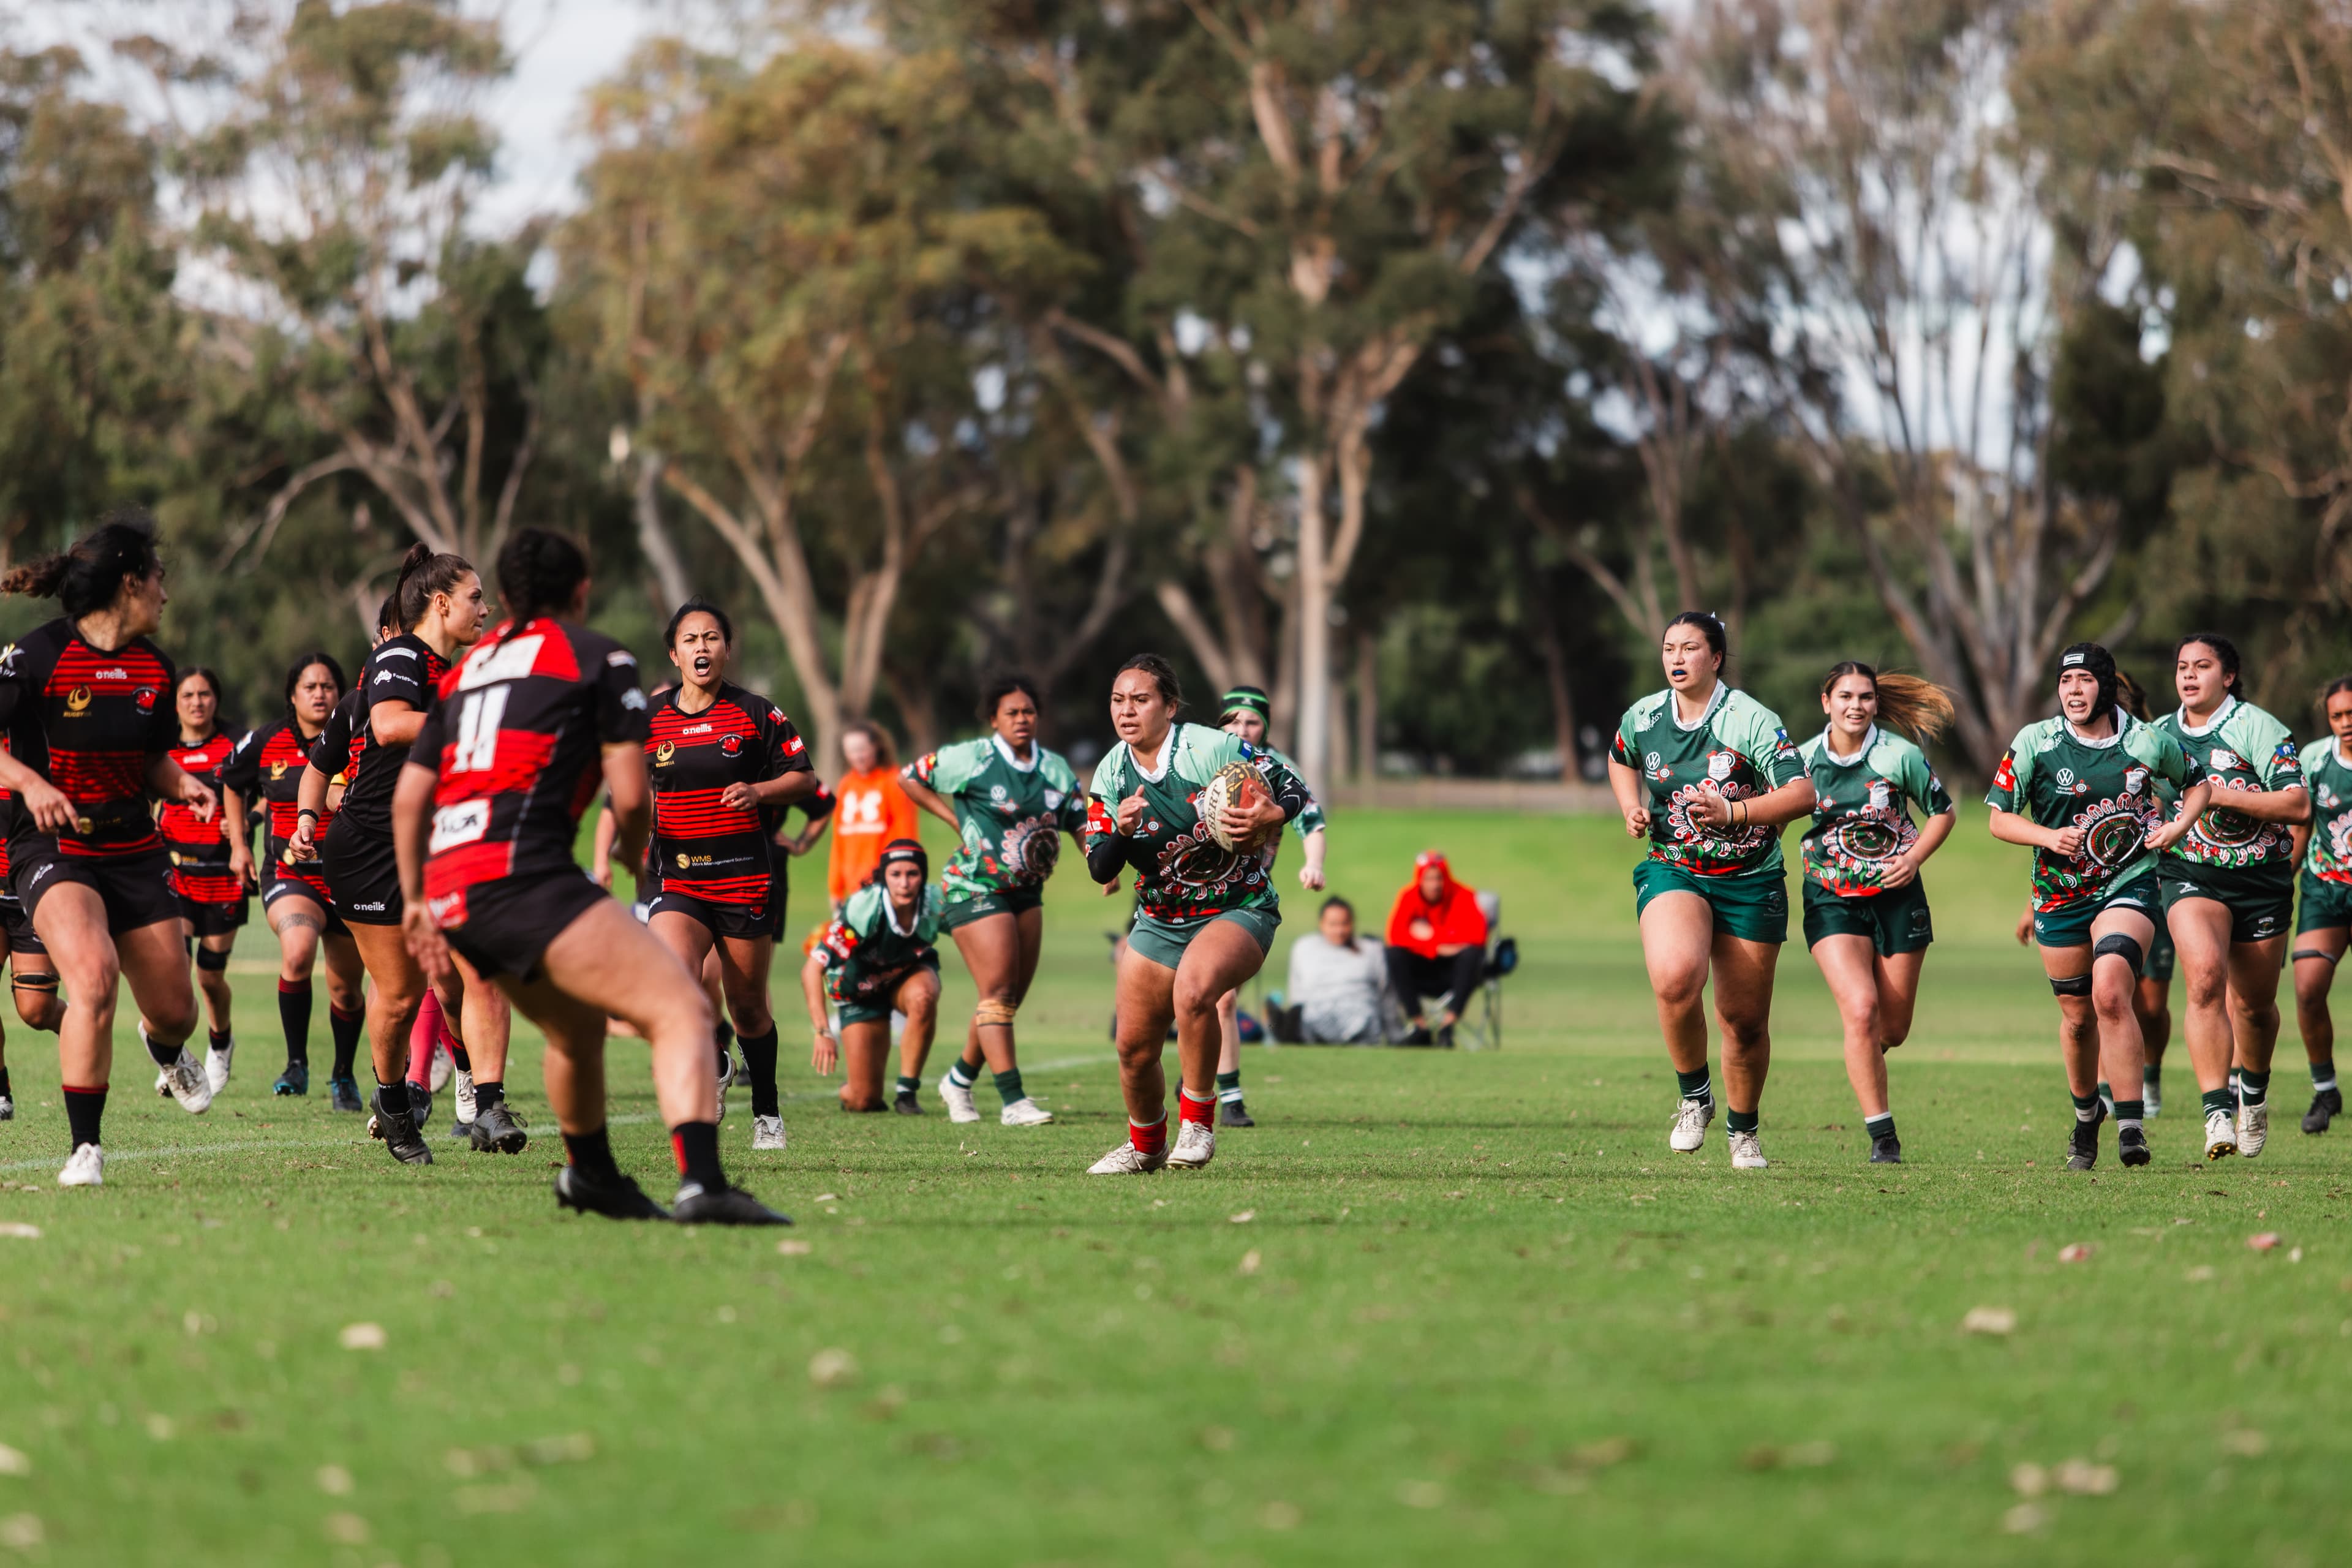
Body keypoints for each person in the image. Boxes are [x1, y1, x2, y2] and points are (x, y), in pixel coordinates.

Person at [393, 526, 786, 1224]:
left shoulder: (467, 668)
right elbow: (632, 796)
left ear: (507, 597)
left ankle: (593, 1177)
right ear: (583, 591)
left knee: (575, 1029)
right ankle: (702, 1183)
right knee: (685, 1008)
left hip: (453, 883)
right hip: (523, 875)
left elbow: (411, 795)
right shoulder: (598, 656)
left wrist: (419, 899)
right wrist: (639, 858)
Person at [0, 511, 221, 1187]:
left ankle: (163, 1049)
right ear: (130, 582)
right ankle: (85, 1150)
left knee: (178, 1012)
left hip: (136, 849)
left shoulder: (156, 668)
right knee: (92, 977)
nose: (166, 592)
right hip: (54, 847)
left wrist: (183, 783)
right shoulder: (35, 656)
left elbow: (150, 760)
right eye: (159, 579)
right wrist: (30, 782)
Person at [289, 543, 523, 1164]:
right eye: (476, 596)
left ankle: (488, 1100)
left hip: (442, 845)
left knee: (471, 972)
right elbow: (391, 725)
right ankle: (393, 1104)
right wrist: (307, 818)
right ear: (440, 602)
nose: (486, 607)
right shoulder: (398, 655)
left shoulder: (467, 672)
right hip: (369, 849)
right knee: (397, 995)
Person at [1083, 654, 1306, 1174]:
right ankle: (1145, 1147)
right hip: (1160, 919)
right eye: (1118, 700)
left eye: (1141, 700)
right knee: (1134, 1049)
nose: (1127, 711)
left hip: (1238, 907)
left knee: (1195, 991)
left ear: (1170, 706)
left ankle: (1199, 1124)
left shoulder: (1214, 746)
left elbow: (1291, 784)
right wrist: (1121, 828)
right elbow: (1100, 868)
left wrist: (1275, 811)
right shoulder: (1110, 772)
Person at [1606, 612, 1814, 1170]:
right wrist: (1631, 806)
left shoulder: (1749, 719)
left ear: (1716, 658)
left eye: (1691, 648)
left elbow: (1802, 793)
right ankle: (1694, 1095)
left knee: (1743, 1021)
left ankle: (1743, 1131)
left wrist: (1735, 810)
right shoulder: (1645, 715)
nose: (1677, 657)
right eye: (1670, 647)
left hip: (1750, 880)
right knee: (1675, 976)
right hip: (1674, 866)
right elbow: (1620, 755)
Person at [1988, 642, 2205, 1170]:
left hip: (2128, 884)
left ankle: (2131, 1127)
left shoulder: (2148, 742)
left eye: (2084, 681)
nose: (2074, 691)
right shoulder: (2034, 741)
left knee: (2111, 991)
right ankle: (2088, 1118)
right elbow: (1998, 817)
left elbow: (2197, 784)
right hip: (2059, 894)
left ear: (2104, 686)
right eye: (2066, 682)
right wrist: (2047, 835)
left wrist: (2177, 826)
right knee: (2078, 1018)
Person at [639, 598, 820, 1152]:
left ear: (726, 649)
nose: (702, 648)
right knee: (672, 982)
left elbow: (806, 779)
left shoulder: (756, 712)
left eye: (712, 638)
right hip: (678, 879)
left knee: (748, 1006)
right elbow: (629, 783)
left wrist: (759, 791)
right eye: (691, 640)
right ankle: (713, 1062)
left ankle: (766, 1110)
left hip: (743, 878)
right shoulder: (651, 719)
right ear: (674, 654)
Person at [900, 674, 1086, 1126]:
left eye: (1028, 712)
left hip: (1029, 892)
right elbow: (910, 777)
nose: (1022, 720)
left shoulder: (1056, 767)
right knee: (999, 993)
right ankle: (1013, 1100)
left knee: (1003, 998)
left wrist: (1101, 866)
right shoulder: (974, 758)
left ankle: (959, 1081)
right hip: (975, 887)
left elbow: (1079, 819)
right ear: (993, 720)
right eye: (1012, 713)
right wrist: (951, 818)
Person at [1796, 663, 1958, 1165]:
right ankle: (1882, 1137)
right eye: (1845, 696)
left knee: (1892, 1029)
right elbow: (1771, 811)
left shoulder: (1900, 755)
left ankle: (1867, 1053)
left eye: (1865, 697)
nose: (1856, 706)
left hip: (1897, 899)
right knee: (1861, 1010)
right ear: (1826, 701)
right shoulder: (1799, 761)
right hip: (1830, 897)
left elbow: (1944, 812)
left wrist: (1912, 860)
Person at [2158, 632, 2310, 1160]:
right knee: (2203, 977)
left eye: (2202, 666)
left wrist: (2216, 794)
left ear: (2228, 676)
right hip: (2191, 874)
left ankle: (2255, 1094)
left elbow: (2298, 806)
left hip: (2261, 882)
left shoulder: (2258, 727)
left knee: (2255, 1007)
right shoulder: (2158, 735)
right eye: (2182, 667)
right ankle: (2216, 1113)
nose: (2189, 676)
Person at [218, 653, 364, 1100]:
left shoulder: (358, 737)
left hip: (349, 876)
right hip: (290, 873)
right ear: (292, 696)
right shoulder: (268, 740)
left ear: (341, 695)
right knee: (298, 953)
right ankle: (296, 1064)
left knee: (346, 987)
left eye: (328, 687)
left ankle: (342, 1073)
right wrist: (241, 846)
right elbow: (230, 778)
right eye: (310, 686)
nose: (320, 694)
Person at [1207, 684, 1325, 1123]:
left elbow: (1311, 821)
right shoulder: (1205, 756)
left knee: (1221, 998)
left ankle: (1231, 1098)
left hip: (1246, 899)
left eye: (1252, 721)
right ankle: (1201, 1075)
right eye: (1234, 721)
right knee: (1196, 999)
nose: (1243, 728)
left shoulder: (1278, 769)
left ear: (1266, 725)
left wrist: (1314, 864)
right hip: (1195, 893)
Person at [801, 839, 943, 1112]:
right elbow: (812, 968)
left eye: (913, 874)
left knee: (924, 995)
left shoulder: (935, 902)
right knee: (864, 1100)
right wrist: (822, 1031)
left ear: (923, 876)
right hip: (860, 991)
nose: (904, 883)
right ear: (884, 877)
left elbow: (972, 929)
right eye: (896, 874)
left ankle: (907, 1093)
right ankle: (852, 1090)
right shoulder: (864, 908)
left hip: (905, 979)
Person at [158, 666, 245, 1095]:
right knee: (175, 969)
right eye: (188, 694)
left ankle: (221, 1041)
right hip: (177, 874)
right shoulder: (162, 747)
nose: (197, 702)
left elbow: (262, 790)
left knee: (210, 977)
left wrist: (245, 822)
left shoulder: (234, 744)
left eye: (205, 694)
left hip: (223, 877)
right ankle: (173, 1057)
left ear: (216, 699)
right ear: (176, 703)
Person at [2290, 676, 2352, 1135]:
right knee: (2308, 988)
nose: (2346, 723)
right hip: (2324, 890)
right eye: (2338, 716)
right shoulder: (2313, 759)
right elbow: (2302, 828)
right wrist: (2280, 880)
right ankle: (2325, 1088)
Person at [0, 742, 68, 1121]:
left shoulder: (43, 739)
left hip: (33, 885)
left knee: (37, 1011)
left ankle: (89, 1026)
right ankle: (0, 1091)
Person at [1382, 852, 1488, 1047]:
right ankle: (1420, 1026)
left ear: (1446, 878)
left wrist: (1431, 936)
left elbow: (1477, 936)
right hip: (1421, 973)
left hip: (1455, 975)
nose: (1434, 885)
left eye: (1439, 878)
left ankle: (1448, 1025)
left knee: (1473, 954)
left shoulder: (1464, 896)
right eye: (1429, 878)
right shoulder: (1408, 897)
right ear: (1420, 879)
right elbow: (1396, 936)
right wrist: (1439, 947)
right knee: (1394, 954)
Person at [817, 721, 918, 917]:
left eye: (863, 749)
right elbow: (839, 840)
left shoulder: (894, 780)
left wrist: (900, 878)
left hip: (887, 882)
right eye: (852, 751)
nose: (858, 756)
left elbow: (906, 834)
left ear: (877, 746)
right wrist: (835, 888)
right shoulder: (847, 784)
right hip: (853, 885)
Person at [1284, 895, 1389, 1044]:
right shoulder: (1304, 948)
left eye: (1344, 924)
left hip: (1361, 1022)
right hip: (1316, 1022)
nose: (1339, 931)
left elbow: (1385, 994)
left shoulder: (1371, 950)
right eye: (1333, 925)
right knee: (1303, 1018)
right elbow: (1297, 993)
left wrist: (1395, 1035)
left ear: (1352, 923)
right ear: (1321, 924)